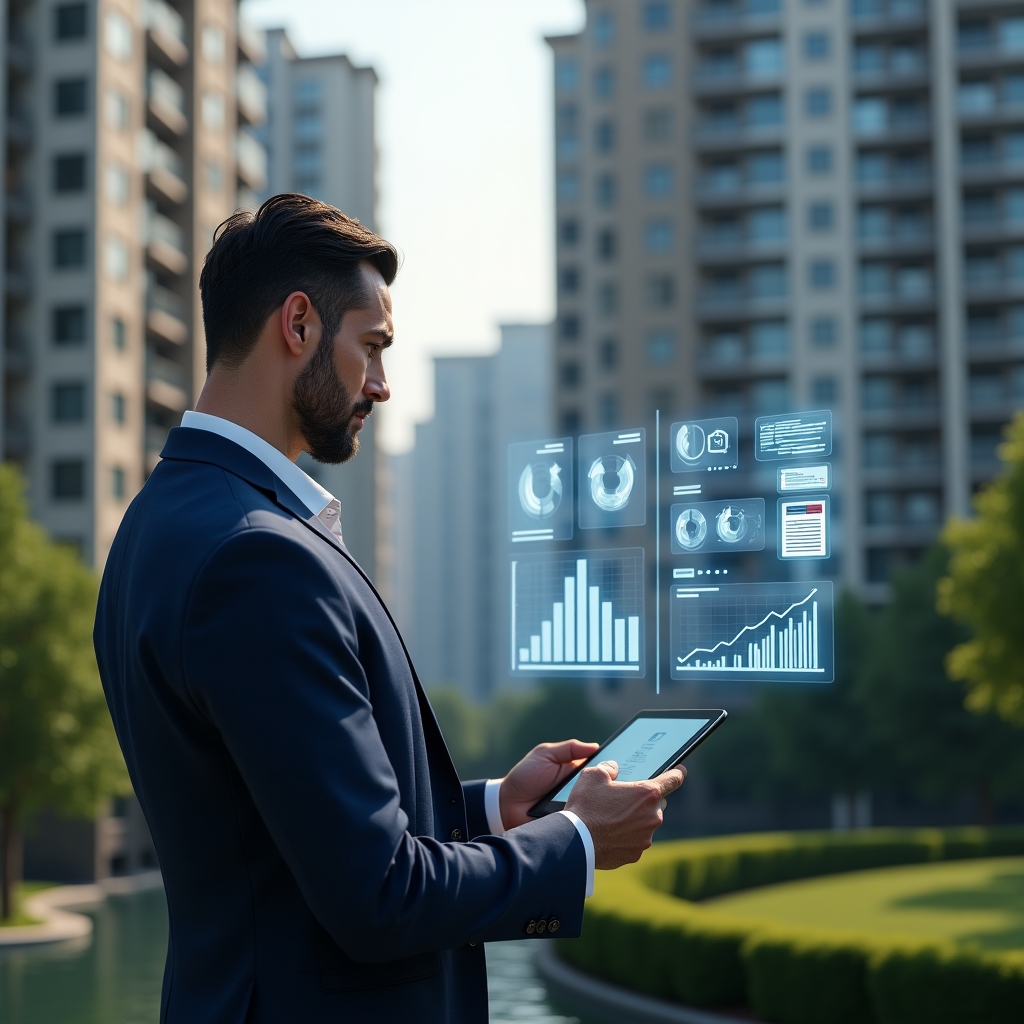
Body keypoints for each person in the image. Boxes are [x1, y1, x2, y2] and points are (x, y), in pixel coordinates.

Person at [93, 194, 684, 1024]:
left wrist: (488, 811)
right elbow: (379, 895)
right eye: (371, 347)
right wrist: (576, 841)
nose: (382, 385)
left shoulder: (162, 522)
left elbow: (278, 830)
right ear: (297, 324)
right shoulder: (256, 558)